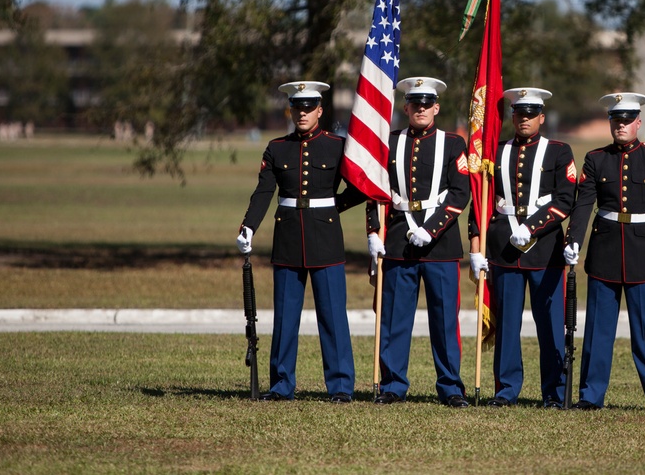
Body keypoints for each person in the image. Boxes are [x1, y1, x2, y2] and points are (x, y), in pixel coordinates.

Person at [236, 81, 365, 403]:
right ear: (290, 110)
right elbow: (264, 191)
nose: (303, 113)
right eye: (298, 108)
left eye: (309, 108)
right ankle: (281, 384)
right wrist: (249, 226)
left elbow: (361, 186)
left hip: (326, 236)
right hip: (289, 238)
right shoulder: (277, 147)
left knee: (333, 316)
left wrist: (335, 206)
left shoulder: (337, 146)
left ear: (320, 111)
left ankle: (340, 386)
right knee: (285, 317)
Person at [563, 92, 645, 411]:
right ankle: (591, 396)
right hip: (604, 251)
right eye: (616, 120)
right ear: (610, 123)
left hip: (642, 252)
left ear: (638, 123)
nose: (621, 126)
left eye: (627, 120)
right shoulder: (595, 159)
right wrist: (573, 239)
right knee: (597, 331)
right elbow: (584, 203)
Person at [468, 87, 577, 409]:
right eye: (519, 114)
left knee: (550, 326)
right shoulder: (496, 151)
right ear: (512, 117)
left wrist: (532, 226)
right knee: (506, 324)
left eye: (531, 114)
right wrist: (476, 246)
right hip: (504, 248)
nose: (525, 119)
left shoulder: (558, 151)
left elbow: (565, 199)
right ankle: (506, 390)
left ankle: (554, 392)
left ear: (542, 117)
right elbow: (481, 202)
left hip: (544, 249)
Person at [367, 77, 472, 408]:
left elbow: (460, 192)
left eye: (427, 104)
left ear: (436, 108)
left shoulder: (453, 144)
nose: (421, 109)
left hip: (440, 245)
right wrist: (372, 231)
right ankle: (393, 384)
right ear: (406, 107)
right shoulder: (389, 142)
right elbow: (375, 190)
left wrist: (432, 227)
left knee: (444, 321)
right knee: (395, 319)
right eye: (416, 104)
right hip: (398, 240)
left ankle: (451, 386)